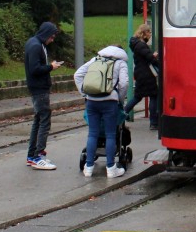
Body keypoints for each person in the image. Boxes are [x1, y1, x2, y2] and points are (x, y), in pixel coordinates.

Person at [75, 45, 130, 178]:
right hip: (109, 101)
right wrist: (120, 100)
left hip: (92, 101)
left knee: (92, 134)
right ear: (121, 52)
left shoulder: (95, 59)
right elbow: (124, 84)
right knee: (111, 134)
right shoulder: (120, 63)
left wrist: (85, 93)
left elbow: (77, 74)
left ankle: (88, 168)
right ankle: (111, 168)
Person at [24, 21, 63, 170]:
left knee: (38, 120)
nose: (52, 40)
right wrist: (51, 67)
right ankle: (37, 155)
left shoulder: (34, 43)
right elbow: (35, 69)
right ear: (46, 34)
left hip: (38, 88)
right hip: (39, 89)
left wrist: (49, 66)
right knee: (44, 121)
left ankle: (31, 155)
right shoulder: (35, 46)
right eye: (52, 37)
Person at [125, 23, 161, 131]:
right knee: (154, 96)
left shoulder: (136, 44)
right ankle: (153, 122)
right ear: (144, 33)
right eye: (149, 32)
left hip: (140, 74)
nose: (150, 34)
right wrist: (157, 60)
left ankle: (123, 112)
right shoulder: (141, 45)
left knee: (138, 96)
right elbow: (150, 58)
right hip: (146, 74)